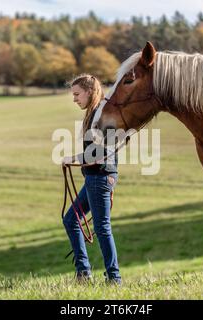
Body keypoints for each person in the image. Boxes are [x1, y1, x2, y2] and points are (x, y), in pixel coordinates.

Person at [62, 74, 121, 285]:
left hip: (100, 177)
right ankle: (84, 272)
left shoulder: (101, 115)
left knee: (102, 227)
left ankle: (113, 277)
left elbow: (101, 152)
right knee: (71, 219)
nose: (75, 99)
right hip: (96, 177)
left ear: (89, 92)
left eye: (77, 94)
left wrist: (74, 159)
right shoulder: (96, 114)